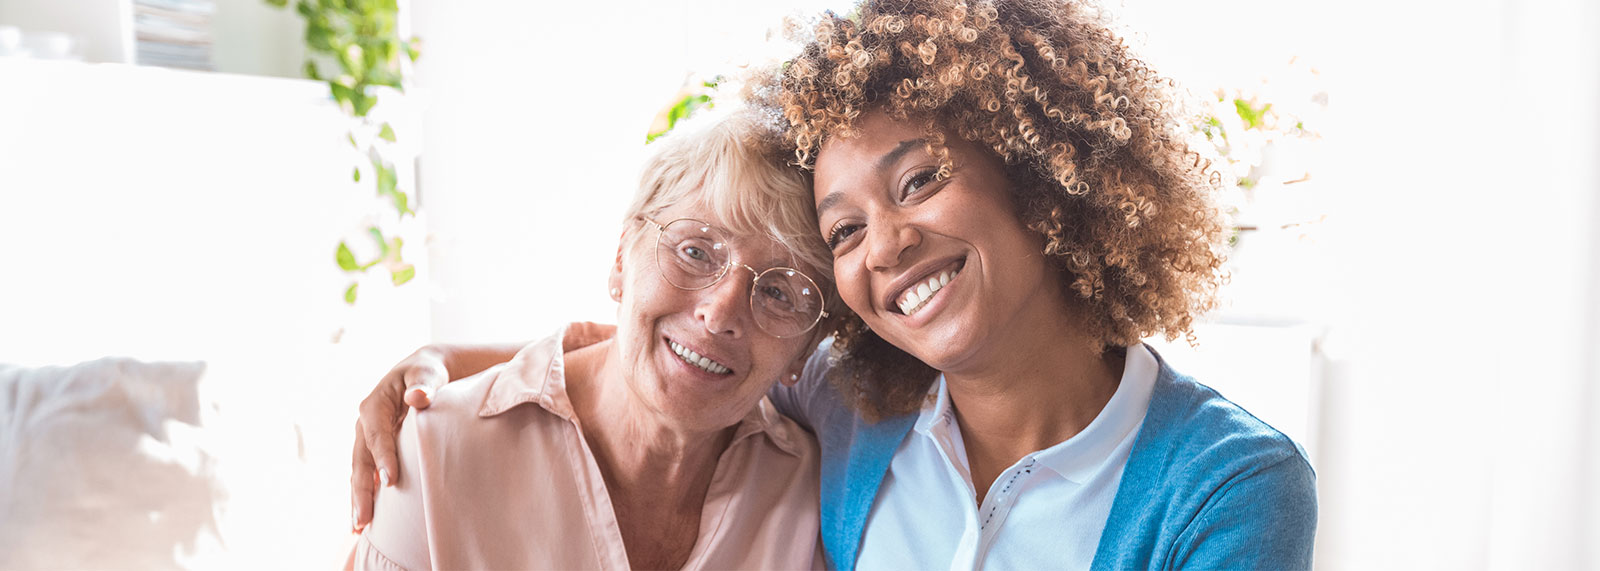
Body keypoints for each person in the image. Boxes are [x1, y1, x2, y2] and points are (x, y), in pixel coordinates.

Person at [351, 0, 1318, 568]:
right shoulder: (854, 404)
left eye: (921, 180)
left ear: (1037, 170)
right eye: (844, 229)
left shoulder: (1227, 485)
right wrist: (439, 365)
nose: (886, 246)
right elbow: (674, 350)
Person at [348, 107, 837, 570]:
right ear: (623, 256)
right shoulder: (436, 449)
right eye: (696, 251)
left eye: (778, 292)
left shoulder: (807, 492)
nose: (719, 314)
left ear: (808, 345)